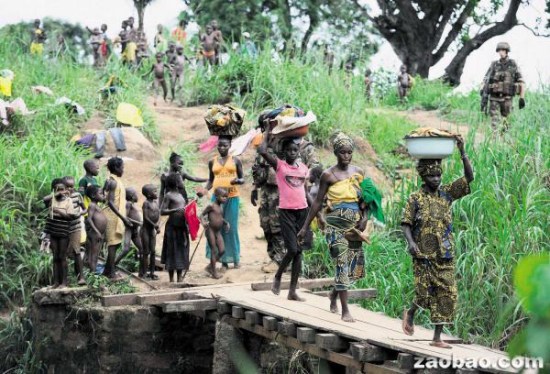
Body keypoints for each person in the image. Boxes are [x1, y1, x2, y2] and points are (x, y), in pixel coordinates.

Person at [401, 137, 473, 348]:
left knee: (447, 293)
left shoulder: (447, 194)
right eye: (432, 175)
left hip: (445, 252)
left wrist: (462, 151)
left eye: (439, 174)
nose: (436, 179)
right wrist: (411, 242)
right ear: (424, 176)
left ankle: (436, 338)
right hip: (422, 253)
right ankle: (411, 312)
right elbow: (405, 223)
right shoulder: (415, 198)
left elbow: (469, 177)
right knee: (424, 294)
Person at [298, 133, 369, 322]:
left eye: (349, 152)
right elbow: (317, 202)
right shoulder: (328, 175)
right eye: (343, 152)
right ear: (336, 153)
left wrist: (365, 219)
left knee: (353, 269)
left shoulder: (359, 172)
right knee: (341, 263)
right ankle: (345, 310)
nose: (346, 156)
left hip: (354, 225)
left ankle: (333, 293)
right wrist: (305, 227)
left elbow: (366, 200)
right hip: (335, 225)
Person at [252, 110, 320, 272]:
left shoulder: (299, 146)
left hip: (286, 193)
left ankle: (282, 260)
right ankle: (274, 257)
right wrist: (255, 188)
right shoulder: (268, 144)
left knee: (280, 227)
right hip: (267, 191)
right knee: (266, 225)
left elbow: (314, 168)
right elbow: (258, 165)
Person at [259, 133, 312, 301]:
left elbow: (305, 191)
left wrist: (317, 213)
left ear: (298, 152)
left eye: (294, 150)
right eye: (288, 150)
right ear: (284, 152)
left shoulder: (303, 168)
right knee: (292, 249)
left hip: (302, 212)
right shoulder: (280, 166)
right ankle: (278, 276)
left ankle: (292, 291)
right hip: (286, 212)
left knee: (299, 253)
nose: (292, 153)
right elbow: (262, 151)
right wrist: (267, 132)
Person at [205, 136, 245, 269]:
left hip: (232, 197)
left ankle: (235, 258)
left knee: (231, 228)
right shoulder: (212, 162)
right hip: (216, 200)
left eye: (225, 146)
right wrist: (204, 190)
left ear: (230, 146)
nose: (222, 148)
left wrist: (237, 181)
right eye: (220, 146)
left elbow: (242, 178)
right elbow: (211, 180)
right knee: (217, 227)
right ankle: (223, 261)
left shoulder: (235, 160)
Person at [481, 42, 526, 134]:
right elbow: (485, 79)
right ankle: (494, 140)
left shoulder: (513, 64)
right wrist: (482, 90)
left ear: (506, 51)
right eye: (499, 50)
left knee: (506, 120)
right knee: (494, 120)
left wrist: (522, 97)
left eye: (502, 50)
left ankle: (504, 140)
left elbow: (521, 81)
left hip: (507, 98)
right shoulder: (494, 64)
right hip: (494, 97)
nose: (500, 52)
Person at [44, 179, 80, 288]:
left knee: (62, 256)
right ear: (54, 191)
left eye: (62, 189)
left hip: (63, 231)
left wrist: (58, 211)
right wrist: (56, 194)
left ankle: (64, 282)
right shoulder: (52, 200)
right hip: (53, 231)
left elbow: (70, 216)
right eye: (58, 190)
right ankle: (56, 282)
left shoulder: (68, 201)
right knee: (55, 257)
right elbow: (44, 200)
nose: (60, 192)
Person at [102, 157, 132, 279]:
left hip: (116, 215)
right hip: (112, 216)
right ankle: (111, 273)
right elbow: (110, 202)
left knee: (115, 244)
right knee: (113, 245)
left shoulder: (114, 180)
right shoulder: (113, 182)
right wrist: (123, 218)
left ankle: (107, 271)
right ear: (116, 168)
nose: (123, 170)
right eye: (122, 167)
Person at [160, 173, 188, 282]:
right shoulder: (168, 195)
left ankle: (179, 278)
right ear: (176, 183)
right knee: (171, 251)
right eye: (181, 180)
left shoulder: (181, 195)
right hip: (172, 227)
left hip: (181, 227)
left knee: (181, 250)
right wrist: (175, 210)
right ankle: (171, 279)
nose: (183, 182)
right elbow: (162, 211)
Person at [62, 176, 87, 285]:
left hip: (76, 227)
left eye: (71, 186)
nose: (69, 189)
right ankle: (65, 280)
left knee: (77, 251)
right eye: (67, 187)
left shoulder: (77, 196)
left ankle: (81, 277)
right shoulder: (60, 198)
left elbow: (85, 208)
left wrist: (80, 213)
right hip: (63, 228)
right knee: (64, 254)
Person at [201, 187, 230, 279]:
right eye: (223, 197)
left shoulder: (220, 207)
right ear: (217, 196)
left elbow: (219, 217)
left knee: (222, 250)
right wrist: (203, 222)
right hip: (210, 230)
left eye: (226, 197)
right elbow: (201, 215)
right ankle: (214, 273)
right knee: (214, 250)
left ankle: (210, 266)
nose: (225, 198)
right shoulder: (211, 206)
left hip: (217, 232)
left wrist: (226, 222)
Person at [115, 187, 143, 266]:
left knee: (142, 249)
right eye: (136, 194)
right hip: (129, 229)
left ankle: (141, 270)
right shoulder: (128, 204)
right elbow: (125, 217)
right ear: (132, 196)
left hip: (134, 230)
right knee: (126, 249)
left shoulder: (132, 204)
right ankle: (113, 264)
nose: (137, 196)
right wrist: (138, 222)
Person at [85, 185, 107, 274]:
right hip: (95, 233)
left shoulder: (97, 206)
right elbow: (89, 219)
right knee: (94, 255)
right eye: (101, 194)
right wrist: (97, 232)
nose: (103, 195)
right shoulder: (92, 205)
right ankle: (93, 274)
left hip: (98, 234)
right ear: (94, 196)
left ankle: (92, 272)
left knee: (95, 254)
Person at [141, 184, 161, 279]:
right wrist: (154, 225)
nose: (156, 193)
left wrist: (157, 225)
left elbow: (158, 214)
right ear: (149, 195)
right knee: (146, 252)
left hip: (152, 230)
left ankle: (152, 272)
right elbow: (145, 217)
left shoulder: (156, 203)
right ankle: (144, 272)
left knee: (153, 251)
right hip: (145, 230)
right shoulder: (146, 203)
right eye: (154, 191)